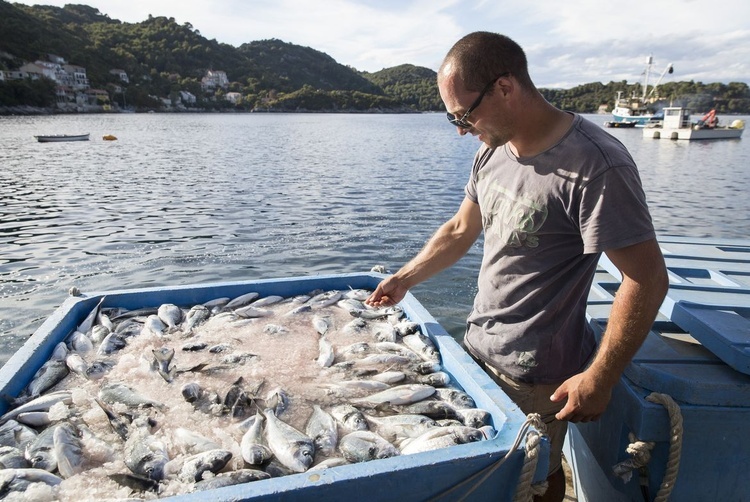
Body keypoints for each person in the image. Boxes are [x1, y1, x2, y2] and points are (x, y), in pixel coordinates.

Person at [366, 32, 669, 502]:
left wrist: (601, 376)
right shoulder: (492, 149)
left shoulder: (596, 164)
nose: (462, 129)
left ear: (505, 87)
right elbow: (459, 231)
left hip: (539, 373)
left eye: (465, 115)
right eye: (454, 119)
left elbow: (646, 278)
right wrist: (404, 279)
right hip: (477, 350)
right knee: (482, 481)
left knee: (537, 480)